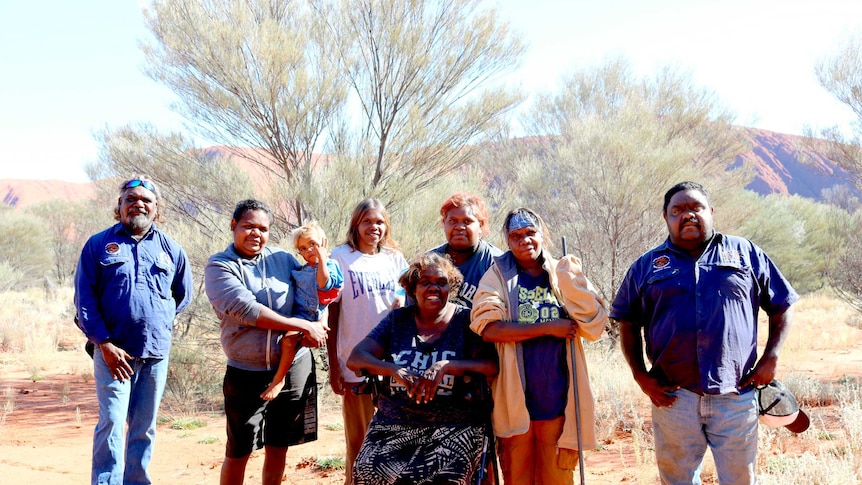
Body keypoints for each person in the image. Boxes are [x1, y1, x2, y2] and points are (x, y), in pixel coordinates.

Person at [610, 181, 799, 484]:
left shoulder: (745, 253)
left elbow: (782, 306)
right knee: (678, 480)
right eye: (678, 210)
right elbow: (628, 322)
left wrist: (771, 358)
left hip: (735, 394)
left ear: (710, 212)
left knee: (740, 479)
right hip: (673, 397)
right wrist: (639, 375)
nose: (687, 215)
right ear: (666, 217)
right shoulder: (646, 266)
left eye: (695, 208)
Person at [470, 208, 608, 485]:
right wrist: (547, 327)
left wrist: (573, 283)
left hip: (557, 401)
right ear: (507, 241)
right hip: (515, 403)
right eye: (516, 236)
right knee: (517, 477)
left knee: (557, 477)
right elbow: (489, 328)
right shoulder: (497, 275)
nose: (525, 241)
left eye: (530, 233)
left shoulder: (561, 273)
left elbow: (594, 326)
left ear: (542, 234)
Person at [74, 176, 193, 485]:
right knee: (111, 423)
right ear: (120, 206)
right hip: (113, 354)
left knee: (144, 427)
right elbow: (84, 299)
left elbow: (182, 295)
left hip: (155, 354)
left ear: (156, 209)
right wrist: (104, 342)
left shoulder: (172, 249)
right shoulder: (98, 245)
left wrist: (157, 320)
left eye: (146, 200)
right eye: (130, 199)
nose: (138, 204)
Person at [205, 199, 330, 485]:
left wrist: (318, 322)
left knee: (279, 444)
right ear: (233, 226)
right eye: (248, 226)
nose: (255, 234)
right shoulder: (219, 266)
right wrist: (301, 325)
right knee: (239, 449)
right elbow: (246, 310)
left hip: (293, 367)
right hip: (246, 371)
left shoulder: (283, 260)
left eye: (263, 228)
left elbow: (313, 292)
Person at [347, 252, 498, 484]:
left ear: (451, 287)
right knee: (368, 471)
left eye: (441, 283)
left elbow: (490, 366)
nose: (433, 288)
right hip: (394, 422)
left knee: (444, 478)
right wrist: (393, 369)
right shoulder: (397, 321)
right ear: (412, 288)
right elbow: (356, 358)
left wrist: (447, 366)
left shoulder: (465, 321)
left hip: (455, 424)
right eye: (425, 282)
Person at [326, 198, 408, 485]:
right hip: (354, 364)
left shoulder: (394, 258)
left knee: (394, 442)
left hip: (392, 365)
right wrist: (334, 366)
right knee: (359, 443)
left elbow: (407, 293)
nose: (374, 227)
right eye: (367, 221)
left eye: (379, 222)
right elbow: (332, 312)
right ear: (356, 224)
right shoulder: (340, 257)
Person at [261, 221, 344, 401]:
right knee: (293, 341)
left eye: (313, 244)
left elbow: (324, 284)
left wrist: (322, 259)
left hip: (311, 315)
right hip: (299, 314)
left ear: (324, 242)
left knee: (289, 341)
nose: (309, 251)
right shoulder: (303, 269)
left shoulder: (330, 266)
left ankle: (279, 379)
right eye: (303, 248)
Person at [428, 192, 502, 309]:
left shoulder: (497, 263)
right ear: (444, 223)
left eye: (467, 221)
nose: (459, 227)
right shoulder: (428, 262)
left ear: (481, 225)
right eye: (452, 221)